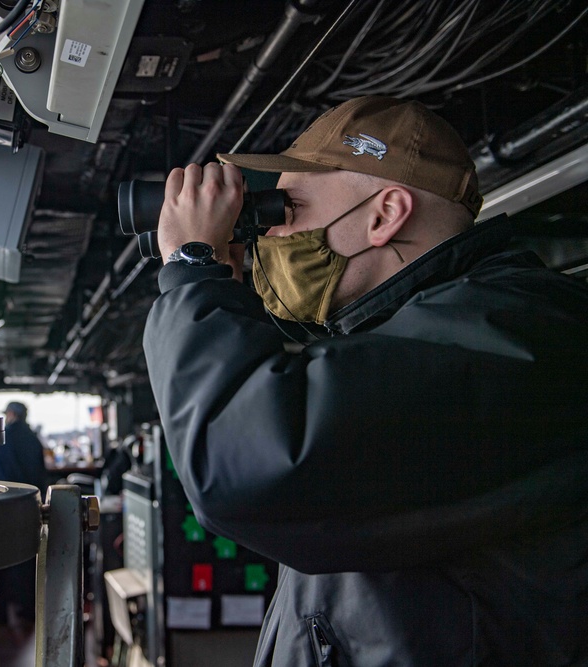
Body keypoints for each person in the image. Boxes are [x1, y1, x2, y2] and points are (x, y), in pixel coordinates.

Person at [143, 96, 588, 665]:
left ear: (385, 215)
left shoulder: (513, 337)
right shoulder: (432, 337)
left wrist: (194, 270)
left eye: (288, 208)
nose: (271, 236)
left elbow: (243, 464)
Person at [0, 401, 48, 632]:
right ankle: (28, 609)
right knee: (27, 560)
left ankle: (0, 614)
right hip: (29, 506)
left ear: (12, 415)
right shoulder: (33, 439)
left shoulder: (3, 438)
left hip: (3, 508)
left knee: (0, 563)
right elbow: (41, 475)